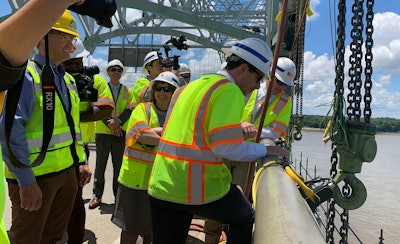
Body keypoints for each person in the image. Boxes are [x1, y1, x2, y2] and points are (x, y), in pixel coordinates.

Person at [147, 38, 290, 244]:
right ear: (243, 69)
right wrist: (264, 150)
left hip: (162, 185)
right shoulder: (229, 90)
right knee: (244, 217)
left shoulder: (186, 88)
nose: (257, 85)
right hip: (196, 188)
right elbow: (225, 147)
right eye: (258, 77)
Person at [0, 0, 88, 242]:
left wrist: (81, 160)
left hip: (65, 174)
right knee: (28, 238)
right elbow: (10, 130)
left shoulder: (67, 80)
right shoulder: (25, 75)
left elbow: (73, 128)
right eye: (66, 37)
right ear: (44, 34)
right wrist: (26, 181)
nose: (71, 46)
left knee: (53, 237)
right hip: (36, 178)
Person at [203, 57, 297, 244]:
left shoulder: (285, 102)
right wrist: (240, 124)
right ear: (269, 74)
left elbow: (277, 131)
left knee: (238, 197)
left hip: (246, 153)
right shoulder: (246, 87)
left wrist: (251, 130)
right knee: (213, 193)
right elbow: (225, 114)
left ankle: (229, 235)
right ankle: (211, 237)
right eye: (278, 81)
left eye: (285, 85)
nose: (280, 88)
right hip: (224, 147)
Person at [112, 71, 180, 244]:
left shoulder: (178, 115)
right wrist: (169, 139)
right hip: (134, 181)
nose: (162, 93)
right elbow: (141, 136)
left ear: (174, 93)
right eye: (158, 88)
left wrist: (155, 133)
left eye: (167, 89)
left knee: (152, 230)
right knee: (131, 230)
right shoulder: (143, 109)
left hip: (160, 182)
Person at [62, 38, 115, 244]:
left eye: (78, 63)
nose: (74, 67)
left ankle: (74, 236)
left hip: (80, 145)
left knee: (75, 196)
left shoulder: (96, 81)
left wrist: (70, 115)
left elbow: (107, 107)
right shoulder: (54, 79)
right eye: (70, 63)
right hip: (52, 147)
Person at [89, 59, 136, 209]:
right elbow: (97, 107)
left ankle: (119, 196)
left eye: (118, 70)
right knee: (100, 165)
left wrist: (118, 123)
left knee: (119, 166)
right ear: (108, 72)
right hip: (104, 132)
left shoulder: (128, 91)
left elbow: (130, 109)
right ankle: (97, 195)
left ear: (121, 73)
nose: (116, 72)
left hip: (120, 132)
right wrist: (111, 124)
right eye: (113, 69)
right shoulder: (101, 88)